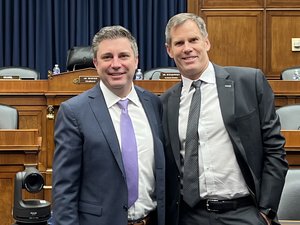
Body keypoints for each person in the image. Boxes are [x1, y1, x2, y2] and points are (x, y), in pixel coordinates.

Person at [160, 13, 288, 225]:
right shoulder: (165, 103)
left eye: (193, 40)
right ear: (169, 50)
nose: (187, 48)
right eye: (179, 43)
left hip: (244, 213)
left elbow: (275, 148)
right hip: (189, 216)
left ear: (206, 42)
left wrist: (266, 210)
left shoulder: (248, 82)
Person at [52, 25, 165, 225]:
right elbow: (64, 190)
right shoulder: (73, 112)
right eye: (107, 57)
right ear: (95, 62)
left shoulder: (154, 104)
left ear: (136, 60)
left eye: (123, 56)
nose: (116, 64)